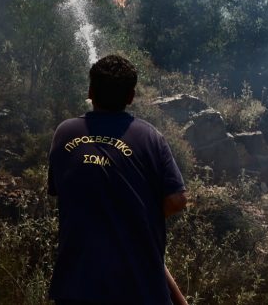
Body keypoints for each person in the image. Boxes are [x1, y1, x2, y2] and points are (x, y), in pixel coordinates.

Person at [48, 54, 188, 305]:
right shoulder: (149, 137)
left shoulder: (64, 133)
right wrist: (139, 215)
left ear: (90, 91)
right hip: (138, 291)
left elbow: (63, 189)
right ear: (131, 97)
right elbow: (177, 200)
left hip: (75, 287)